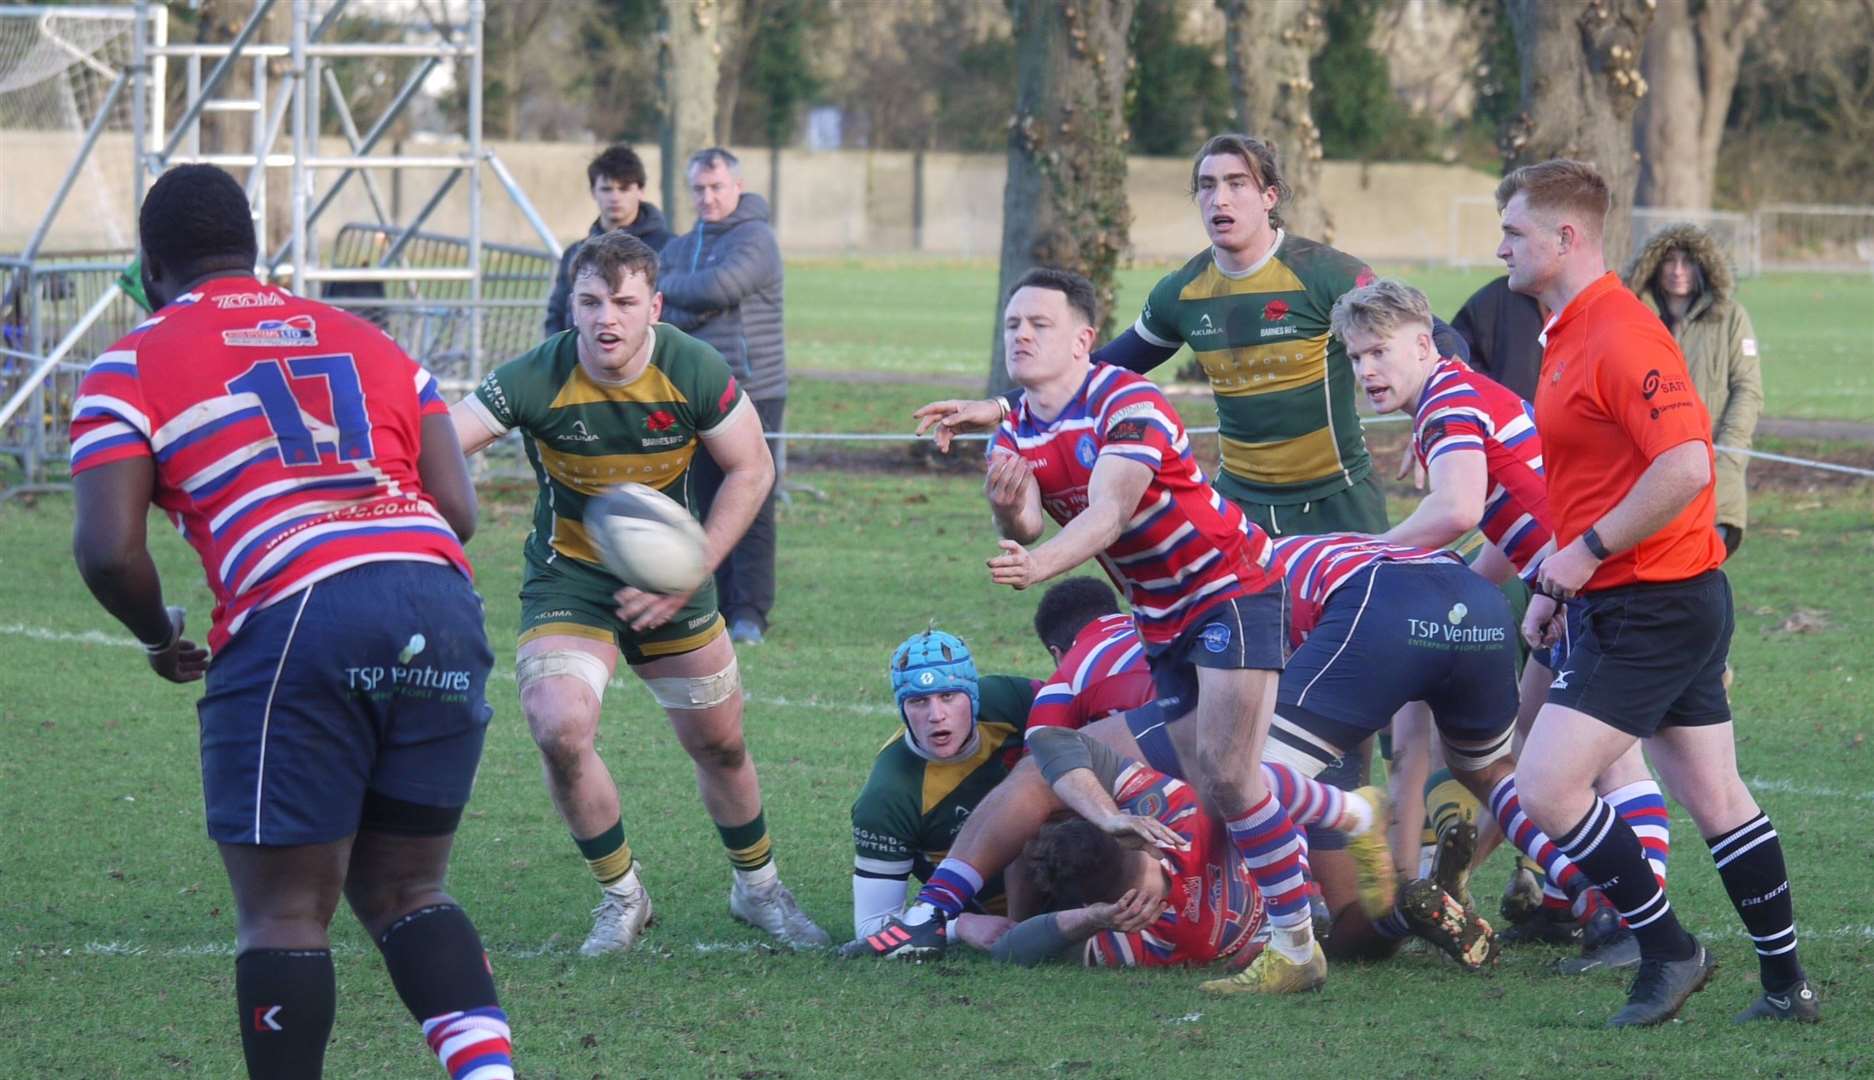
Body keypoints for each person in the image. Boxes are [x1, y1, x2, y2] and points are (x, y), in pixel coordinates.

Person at [69, 164, 515, 1079]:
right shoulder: (373, 342)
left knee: (285, 911)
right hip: (438, 595)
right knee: (409, 888)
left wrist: (161, 636)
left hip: (300, 609)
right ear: (256, 252)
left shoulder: (130, 362)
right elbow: (457, 508)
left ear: (151, 265)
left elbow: (108, 551)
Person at [850, 267, 1326, 995]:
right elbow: (1029, 519)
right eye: (1012, 324)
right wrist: (1008, 509)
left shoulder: (1126, 399)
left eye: (1040, 324)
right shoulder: (1016, 423)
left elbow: (1110, 509)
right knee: (1200, 775)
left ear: (1082, 340)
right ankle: (933, 909)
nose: (1021, 335)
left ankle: (1299, 936)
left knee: (1230, 775)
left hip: (1235, 590)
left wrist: (1040, 563)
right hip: (1162, 619)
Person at [1497, 159, 1816, 1026]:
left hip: (1652, 603)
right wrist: (1560, 578)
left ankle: (1669, 951)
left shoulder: (1623, 333)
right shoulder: (1566, 330)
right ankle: (1788, 989)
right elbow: (1599, 474)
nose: (1502, 249)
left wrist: (1587, 553)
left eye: (1515, 232)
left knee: (1547, 787)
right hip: (1638, 596)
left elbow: (1686, 465)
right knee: (1716, 797)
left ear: (1567, 238)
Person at [449, 231, 828, 956]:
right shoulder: (536, 375)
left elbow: (752, 469)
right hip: (571, 577)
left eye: (623, 301)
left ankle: (758, 890)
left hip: (673, 573)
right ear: (572, 308)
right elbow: (443, 441)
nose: (606, 318)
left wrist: (694, 568)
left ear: (654, 306)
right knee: (559, 728)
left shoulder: (692, 366)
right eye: (590, 302)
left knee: (719, 744)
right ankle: (623, 896)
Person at [1338, 278, 1669, 961]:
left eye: (1378, 351)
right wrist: (1459, 581)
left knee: (1608, 762)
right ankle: (1566, 900)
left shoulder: (1447, 404)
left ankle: (1631, 922)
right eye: (1352, 358)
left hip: (1604, 585)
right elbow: (1502, 518)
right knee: (1526, 751)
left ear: (1424, 344)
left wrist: (1355, 553)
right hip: (1574, 586)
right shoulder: (1458, 393)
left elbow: (1457, 508)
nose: (1365, 369)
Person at [986, 727, 1266, 970]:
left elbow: (1008, 952)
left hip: (1261, 911)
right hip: (1283, 880)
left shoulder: (1147, 936)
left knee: (1036, 790)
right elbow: (1052, 738)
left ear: (1093, 903)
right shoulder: (1181, 811)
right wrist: (1109, 815)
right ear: (1133, 836)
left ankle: (1012, 916)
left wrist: (1091, 918)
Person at [658, 147, 787, 644]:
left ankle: (750, 611)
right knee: (701, 500)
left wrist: (673, 297)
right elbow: (663, 308)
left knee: (751, 500)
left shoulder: (757, 239)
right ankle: (706, 605)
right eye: (698, 189)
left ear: (737, 186)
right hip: (692, 394)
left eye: (716, 187)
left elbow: (719, 287)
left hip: (753, 390)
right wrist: (681, 304)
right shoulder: (681, 244)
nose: (707, 198)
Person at [850, 630, 1039, 942]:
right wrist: (958, 926)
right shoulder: (887, 797)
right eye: (919, 701)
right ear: (902, 709)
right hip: (1002, 916)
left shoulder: (1011, 700)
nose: (936, 715)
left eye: (948, 696)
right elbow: (871, 927)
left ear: (973, 696)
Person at [1625, 224, 1764, 559]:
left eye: (1687, 262)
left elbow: (1748, 388)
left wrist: (1729, 452)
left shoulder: (1730, 317)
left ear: (1703, 266)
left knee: (1703, 564)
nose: (1677, 271)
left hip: (1714, 465)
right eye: (1669, 261)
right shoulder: (1633, 318)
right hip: (1643, 471)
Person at [544, 144, 672, 336]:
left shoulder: (669, 248)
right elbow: (557, 316)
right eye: (607, 189)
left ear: (640, 190)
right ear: (593, 192)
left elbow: (671, 315)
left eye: (624, 188)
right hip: (580, 359)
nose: (615, 197)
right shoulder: (575, 253)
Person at [1025, 576, 1155, 738]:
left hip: (1171, 721)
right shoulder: (1153, 628)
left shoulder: (1065, 678)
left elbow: (1039, 757)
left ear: (1056, 653)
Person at [1448, 275, 1545, 402]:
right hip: (1506, 417)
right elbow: (1455, 361)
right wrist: (1494, 400)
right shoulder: (1491, 301)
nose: (1502, 254)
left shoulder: (1577, 312)